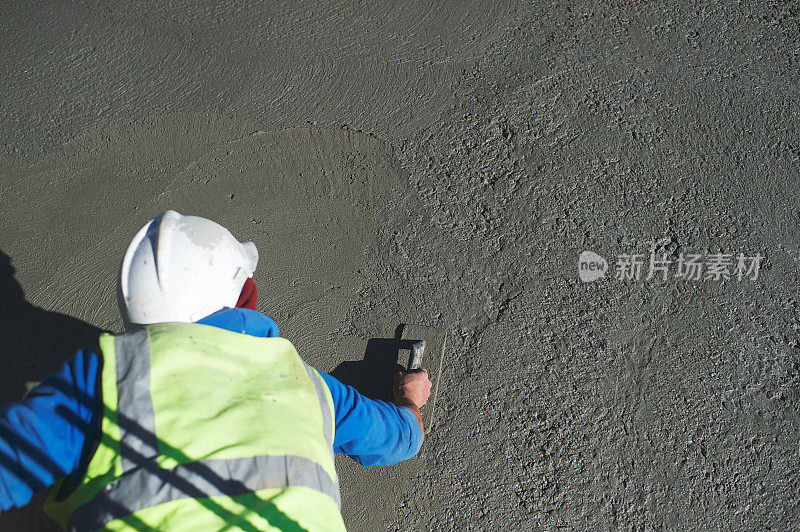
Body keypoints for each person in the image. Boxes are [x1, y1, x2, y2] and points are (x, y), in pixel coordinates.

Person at [0, 210, 432, 531]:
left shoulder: (106, 375)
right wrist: (410, 401)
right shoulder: (312, 387)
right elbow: (398, 440)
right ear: (248, 296)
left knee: (55, 491)